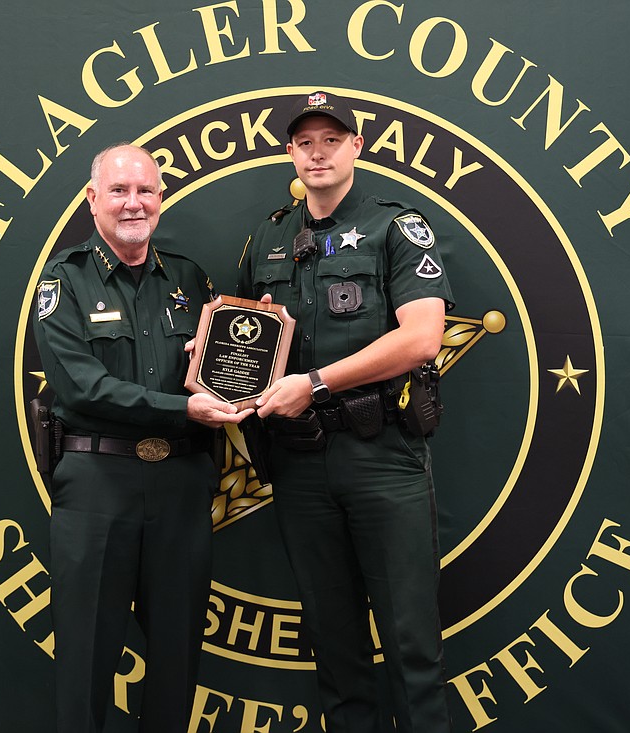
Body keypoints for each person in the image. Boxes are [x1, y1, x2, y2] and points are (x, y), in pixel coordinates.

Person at [235, 92, 455, 731]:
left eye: (332, 139)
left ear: (357, 146)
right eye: (305, 142)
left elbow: (420, 338)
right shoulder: (271, 235)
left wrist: (316, 383)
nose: (318, 152)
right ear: (290, 153)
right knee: (333, 645)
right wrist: (213, 354)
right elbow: (249, 339)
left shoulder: (395, 226)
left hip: (382, 455)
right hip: (300, 463)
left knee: (411, 642)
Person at [33, 143, 250, 733]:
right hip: (99, 486)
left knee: (179, 656)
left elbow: (223, 369)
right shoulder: (65, 281)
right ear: (93, 200)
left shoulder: (189, 278)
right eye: (120, 191)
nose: (135, 203)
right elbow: (82, 389)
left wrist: (237, 364)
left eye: (146, 190)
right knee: (86, 658)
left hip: (181, 484)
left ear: (161, 198)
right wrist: (184, 405)